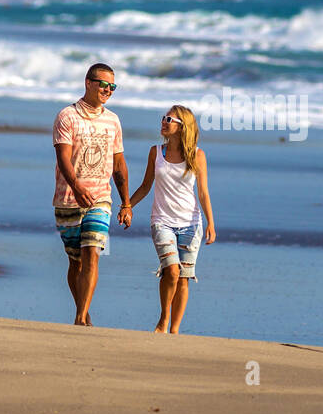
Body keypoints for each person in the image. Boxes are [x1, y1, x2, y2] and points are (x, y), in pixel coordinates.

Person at [52, 64, 132, 326]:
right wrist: (76, 186)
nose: (107, 90)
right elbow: (63, 158)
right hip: (68, 199)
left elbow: (119, 165)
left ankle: (79, 316)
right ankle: (84, 313)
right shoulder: (67, 116)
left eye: (112, 87)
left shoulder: (113, 120)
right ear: (88, 83)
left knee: (92, 253)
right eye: (103, 84)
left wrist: (126, 203)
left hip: (101, 199)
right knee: (75, 261)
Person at [128, 105, 216, 334]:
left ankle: (175, 330)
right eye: (164, 118)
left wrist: (211, 224)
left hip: (191, 224)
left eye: (169, 119)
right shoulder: (155, 152)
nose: (164, 122)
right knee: (172, 270)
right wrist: (127, 205)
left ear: (182, 127)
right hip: (162, 221)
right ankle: (163, 320)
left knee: (184, 278)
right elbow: (146, 186)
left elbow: (204, 193)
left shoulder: (197, 155)